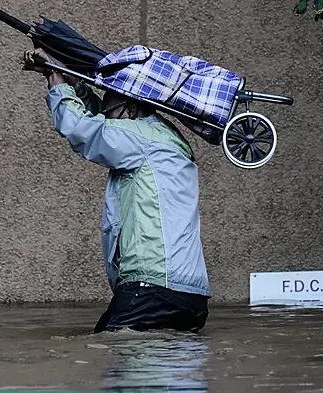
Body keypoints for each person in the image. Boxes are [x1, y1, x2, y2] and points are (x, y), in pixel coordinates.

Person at [22, 48, 212, 333]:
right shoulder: (162, 136)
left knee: (111, 357)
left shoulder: (141, 138)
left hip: (152, 288)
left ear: (133, 109)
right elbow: (101, 116)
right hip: (189, 297)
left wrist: (56, 79)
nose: (107, 119)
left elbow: (84, 129)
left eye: (111, 113)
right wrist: (74, 82)